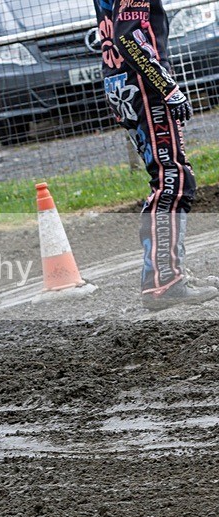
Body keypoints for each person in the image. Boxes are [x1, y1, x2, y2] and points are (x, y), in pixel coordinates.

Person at [93, 0, 218, 310]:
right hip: (143, 89)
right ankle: (165, 281)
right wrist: (168, 87)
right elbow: (128, 35)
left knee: (167, 179)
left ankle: (164, 276)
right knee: (172, 181)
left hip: (121, 83)